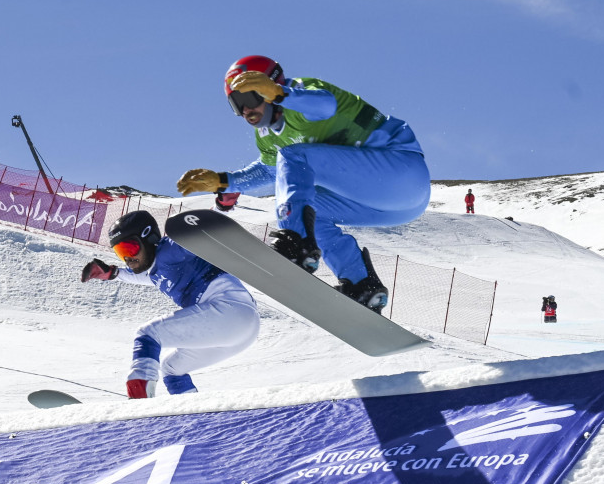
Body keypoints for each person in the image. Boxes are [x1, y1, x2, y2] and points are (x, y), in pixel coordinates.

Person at [177, 55, 430, 313]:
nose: (245, 110)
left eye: (249, 98)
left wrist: (279, 93)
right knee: (310, 206)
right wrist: (223, 181)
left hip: (402, 170)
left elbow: (325, 106)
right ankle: (362, 286)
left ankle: (295, 242)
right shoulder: (266, 137)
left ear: (270, 85)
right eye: (236, 103)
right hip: (396, 205)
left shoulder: (300, 94)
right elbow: (270, 170)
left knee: (293, 157)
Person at [80, 210, 260, 399]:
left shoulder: (171, 250)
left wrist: (201, 226)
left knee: (148, 334)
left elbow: (203, 240)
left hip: (232, 310)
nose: (128, 258)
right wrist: (112, 274)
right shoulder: (156, 271)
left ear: (148, 238)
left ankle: (139, 401)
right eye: (120, 252)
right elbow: (140, 276)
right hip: (238, 333)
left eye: (129, 248)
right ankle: (193, 412)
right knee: (172, 369)